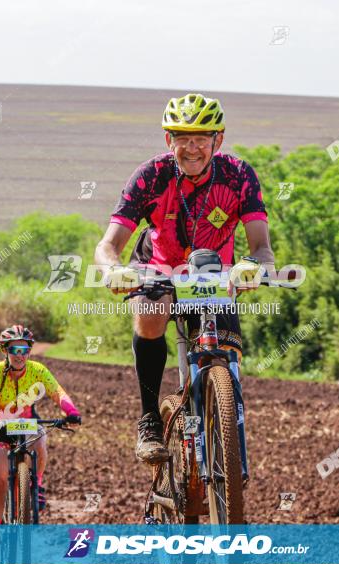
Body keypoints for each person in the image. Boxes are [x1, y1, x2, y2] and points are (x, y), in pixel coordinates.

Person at [94, 93, 274, 464]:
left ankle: (223, 419)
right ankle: (149, 421)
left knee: (224, 348)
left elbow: (261, 247)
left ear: (218, 140)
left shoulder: (239, 175)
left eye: (201, 138)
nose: (192, 148)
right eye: (182, 138)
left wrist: (252, 266)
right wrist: (112, 270)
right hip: (158, 264)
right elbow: (108, 244)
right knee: (152, 311)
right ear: (168, 141)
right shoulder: (150, 175)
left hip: (213, 272)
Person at [0, 324, 82, 564]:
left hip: (27, 423)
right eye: (15, 349)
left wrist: (71, 411)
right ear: (5, 350)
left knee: (40, 439)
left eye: (25, 350)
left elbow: (58, 392)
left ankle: (35, 486)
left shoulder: (37, 370)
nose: (20, 354)